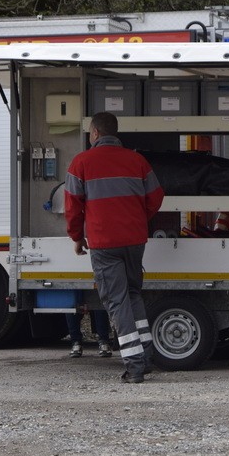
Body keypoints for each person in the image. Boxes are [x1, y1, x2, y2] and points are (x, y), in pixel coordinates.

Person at [65, 112, 164, 383]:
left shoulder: (81, 163)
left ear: (95, 133)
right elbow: (156, 196)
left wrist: (76, 237)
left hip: (104, 243)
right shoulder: (137, 160)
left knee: (116, 301)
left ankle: (134, 367)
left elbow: (72, 207)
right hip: (134, 240)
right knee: (132, 295)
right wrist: (137, 218)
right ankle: (146, 356)